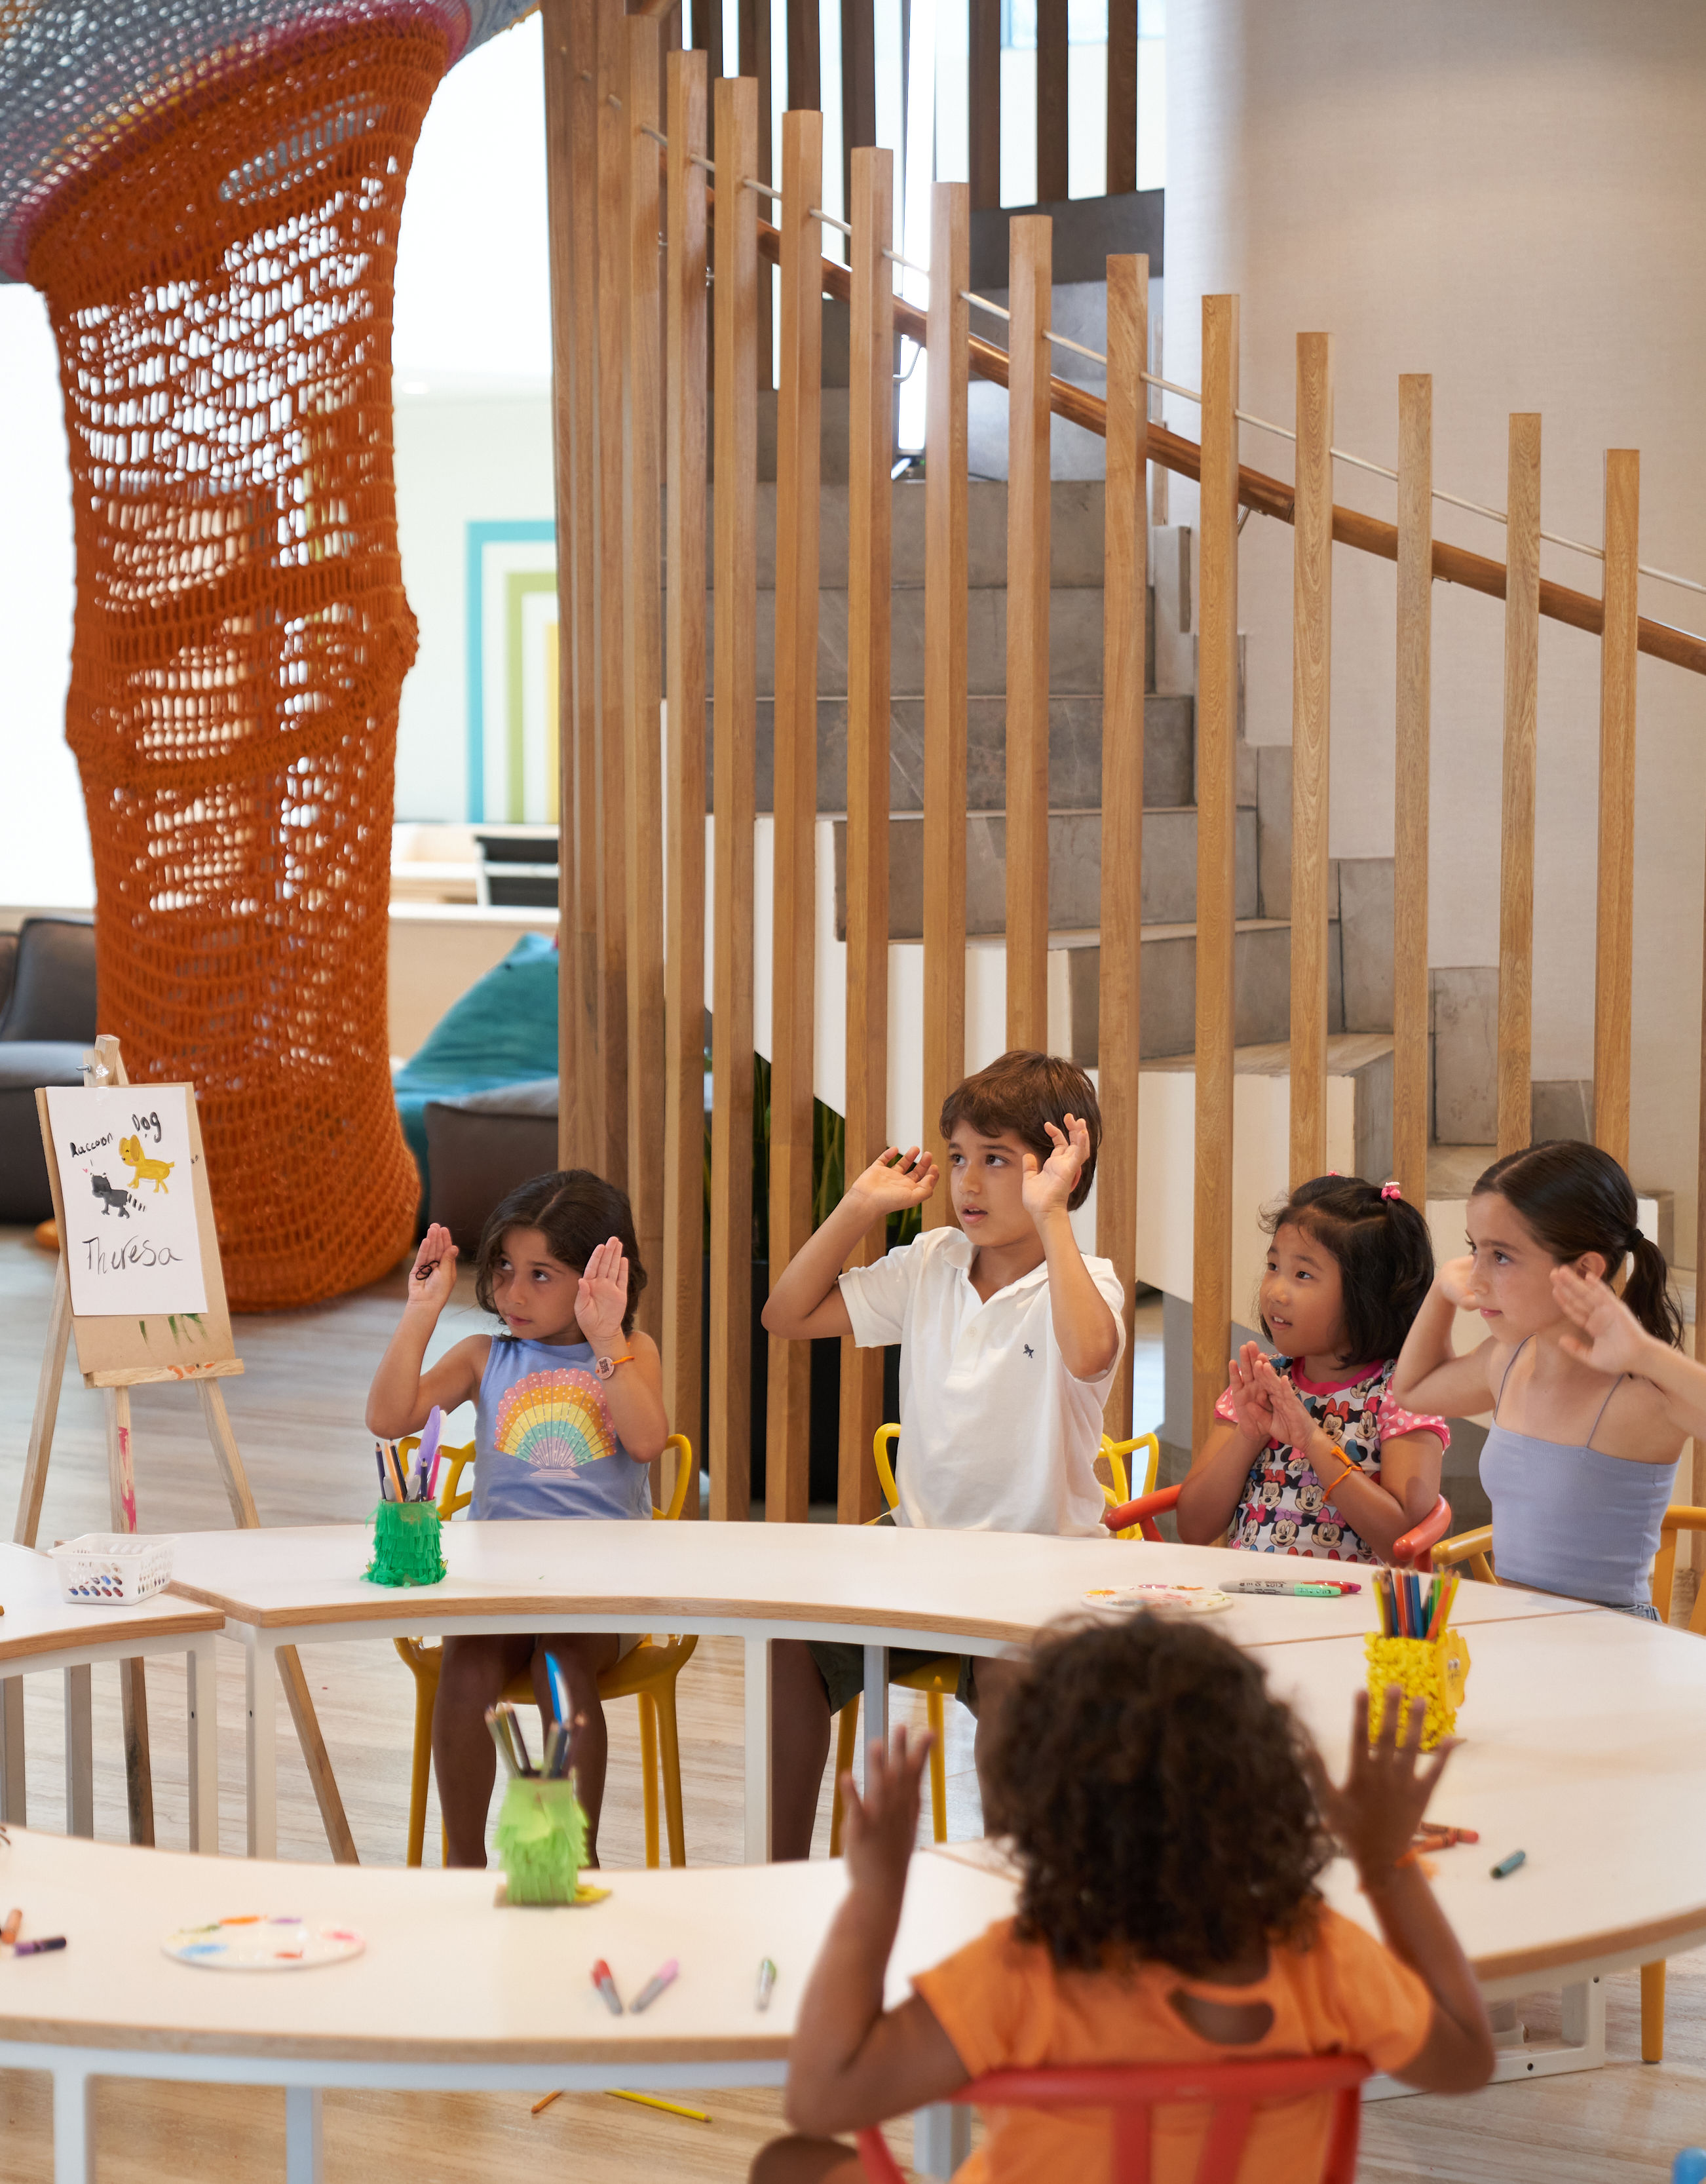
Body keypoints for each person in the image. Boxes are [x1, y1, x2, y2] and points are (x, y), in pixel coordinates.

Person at [750, 1613, 1494, 2184]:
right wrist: (1385, 1867)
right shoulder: (1321, 1956)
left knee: (790, 2164)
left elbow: (820, 2099)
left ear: (1047, 1813)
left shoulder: (1025, 1973)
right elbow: (1466, 2059)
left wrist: (875, 1893)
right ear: (1264, 1798)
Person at [759, 1050, 1125, 1858]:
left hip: (1039, 1566)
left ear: (1060, 1169)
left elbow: (1092, 1353)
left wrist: (1053, 1217)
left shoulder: (1088, 1282)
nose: (968, 1182)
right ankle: (781, 1873)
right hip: (919, 1549)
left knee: (1014, 1688)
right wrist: (857, 1208)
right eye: (959, 1157)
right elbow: (784, 1315)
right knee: (789, 1643)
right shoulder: (931, 1264)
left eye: (996, 1161)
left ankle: (1007, 1908)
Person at [366, 1171, 669, 1864]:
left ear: (599, 1277)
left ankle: (564, 1853)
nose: (512, 1291)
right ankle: (466, 1862)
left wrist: (605, 1338)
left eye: (541, 1274)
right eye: (504, 1267)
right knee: (467, 1668)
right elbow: (387, 1418)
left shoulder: (629, 1354)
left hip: (600, 1593)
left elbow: (648, 1441)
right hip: (501, 1586)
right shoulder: (485, 1356)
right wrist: (422, 1309)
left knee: (559, 1665)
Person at [1393, 1140, 1706, 1617]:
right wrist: (1440, 1292)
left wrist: (1648, 1355)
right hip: (1519, 1633)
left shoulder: (1644, 1394)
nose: (1476, 1276)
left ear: (1585, 1269)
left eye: (1501, 1256)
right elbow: (1413, 1389)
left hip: (1610, 1647)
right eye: (1474, 1248)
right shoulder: (1508, 1359)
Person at [1177, 1174, 1447, 1563]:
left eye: (1303, 1275)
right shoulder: (1263, 1384)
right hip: (1253, 1603)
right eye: (1273, 1266)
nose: (1275, 1291)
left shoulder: (1404, 1393)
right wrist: (1248, 1436)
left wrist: (1313, 1441)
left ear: (1368, 1295)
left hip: (1353, 1614)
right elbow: (1193, 1528)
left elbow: (1404, 1543)